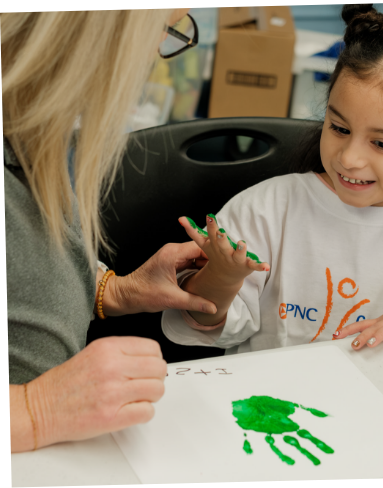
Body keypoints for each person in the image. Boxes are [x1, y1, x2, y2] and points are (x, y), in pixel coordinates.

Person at [161, 3, 383, 355]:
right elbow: (194, 322)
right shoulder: (265, 211)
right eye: (339, 128)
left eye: (381, 143)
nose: (349, 158)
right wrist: (222, 278)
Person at [5, 9, 220, 453]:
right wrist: (34, 409)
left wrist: (109, 289)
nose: (153, 59)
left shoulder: (40, 127)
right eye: (164, 30)